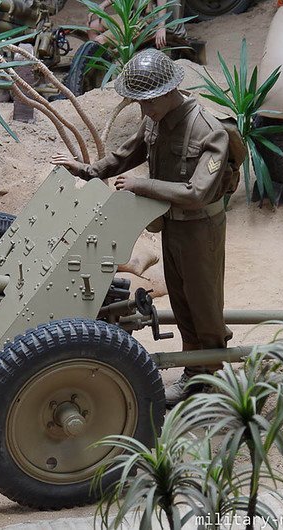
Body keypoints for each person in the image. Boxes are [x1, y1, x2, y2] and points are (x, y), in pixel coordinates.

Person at [51, 48, 233, 407]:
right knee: (182, 302)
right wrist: (88, 170)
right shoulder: (154, 119)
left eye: (147, 101)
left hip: (201, 229)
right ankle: (194, 372)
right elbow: (126, 154)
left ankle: (211, 379)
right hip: (173, 227)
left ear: (168, 92)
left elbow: (197, 193)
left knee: (205, 306)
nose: (142, 109)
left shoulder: (209, 130)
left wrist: (141, 186)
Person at [86, 0, 186, 49]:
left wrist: (161, 26)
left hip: (149, 23)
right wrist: (102, 5)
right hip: (133, 16)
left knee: (100, 40)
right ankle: (101, 65)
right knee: (93, 26)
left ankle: (96, 77)